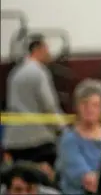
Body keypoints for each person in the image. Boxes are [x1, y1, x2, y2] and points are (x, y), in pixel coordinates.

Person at [3, 34, 65, 169]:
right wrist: (62, 128)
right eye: (47, 48)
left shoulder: (15, 73)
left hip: (14, 139)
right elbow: (49, 105)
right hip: (37, 140)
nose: (49, 53)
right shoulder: (39, 72)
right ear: (38, 49)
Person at [56, 79, 101, 194]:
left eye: (95, 105)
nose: (90, 109)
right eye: (85, 104)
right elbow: (87, 180)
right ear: (77, 106)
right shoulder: (69, 139)